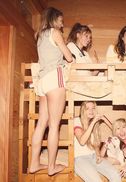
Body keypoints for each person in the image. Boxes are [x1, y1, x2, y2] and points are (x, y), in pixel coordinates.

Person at [29, 7, 74, 175]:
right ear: (54, 19)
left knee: (42, 123)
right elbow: (68, 57)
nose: (62, 25)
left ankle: (34, 163)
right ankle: (52, 166)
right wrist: (68, 57)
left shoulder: (39, 35)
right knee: (54, 125)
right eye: (61, 21)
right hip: (55, 77)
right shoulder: (55, 32)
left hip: (41, 80)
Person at [74, 101, 121, 182]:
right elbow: (82, 141)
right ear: (82, 110)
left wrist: (98, 155)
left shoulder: (94, 124)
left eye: (93, 108)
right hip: (80, 158)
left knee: (115, 175)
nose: (91, 111)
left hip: (93, 156)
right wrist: (93, 123)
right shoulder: (77, 120)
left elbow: (95, 144)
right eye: (87, 108)